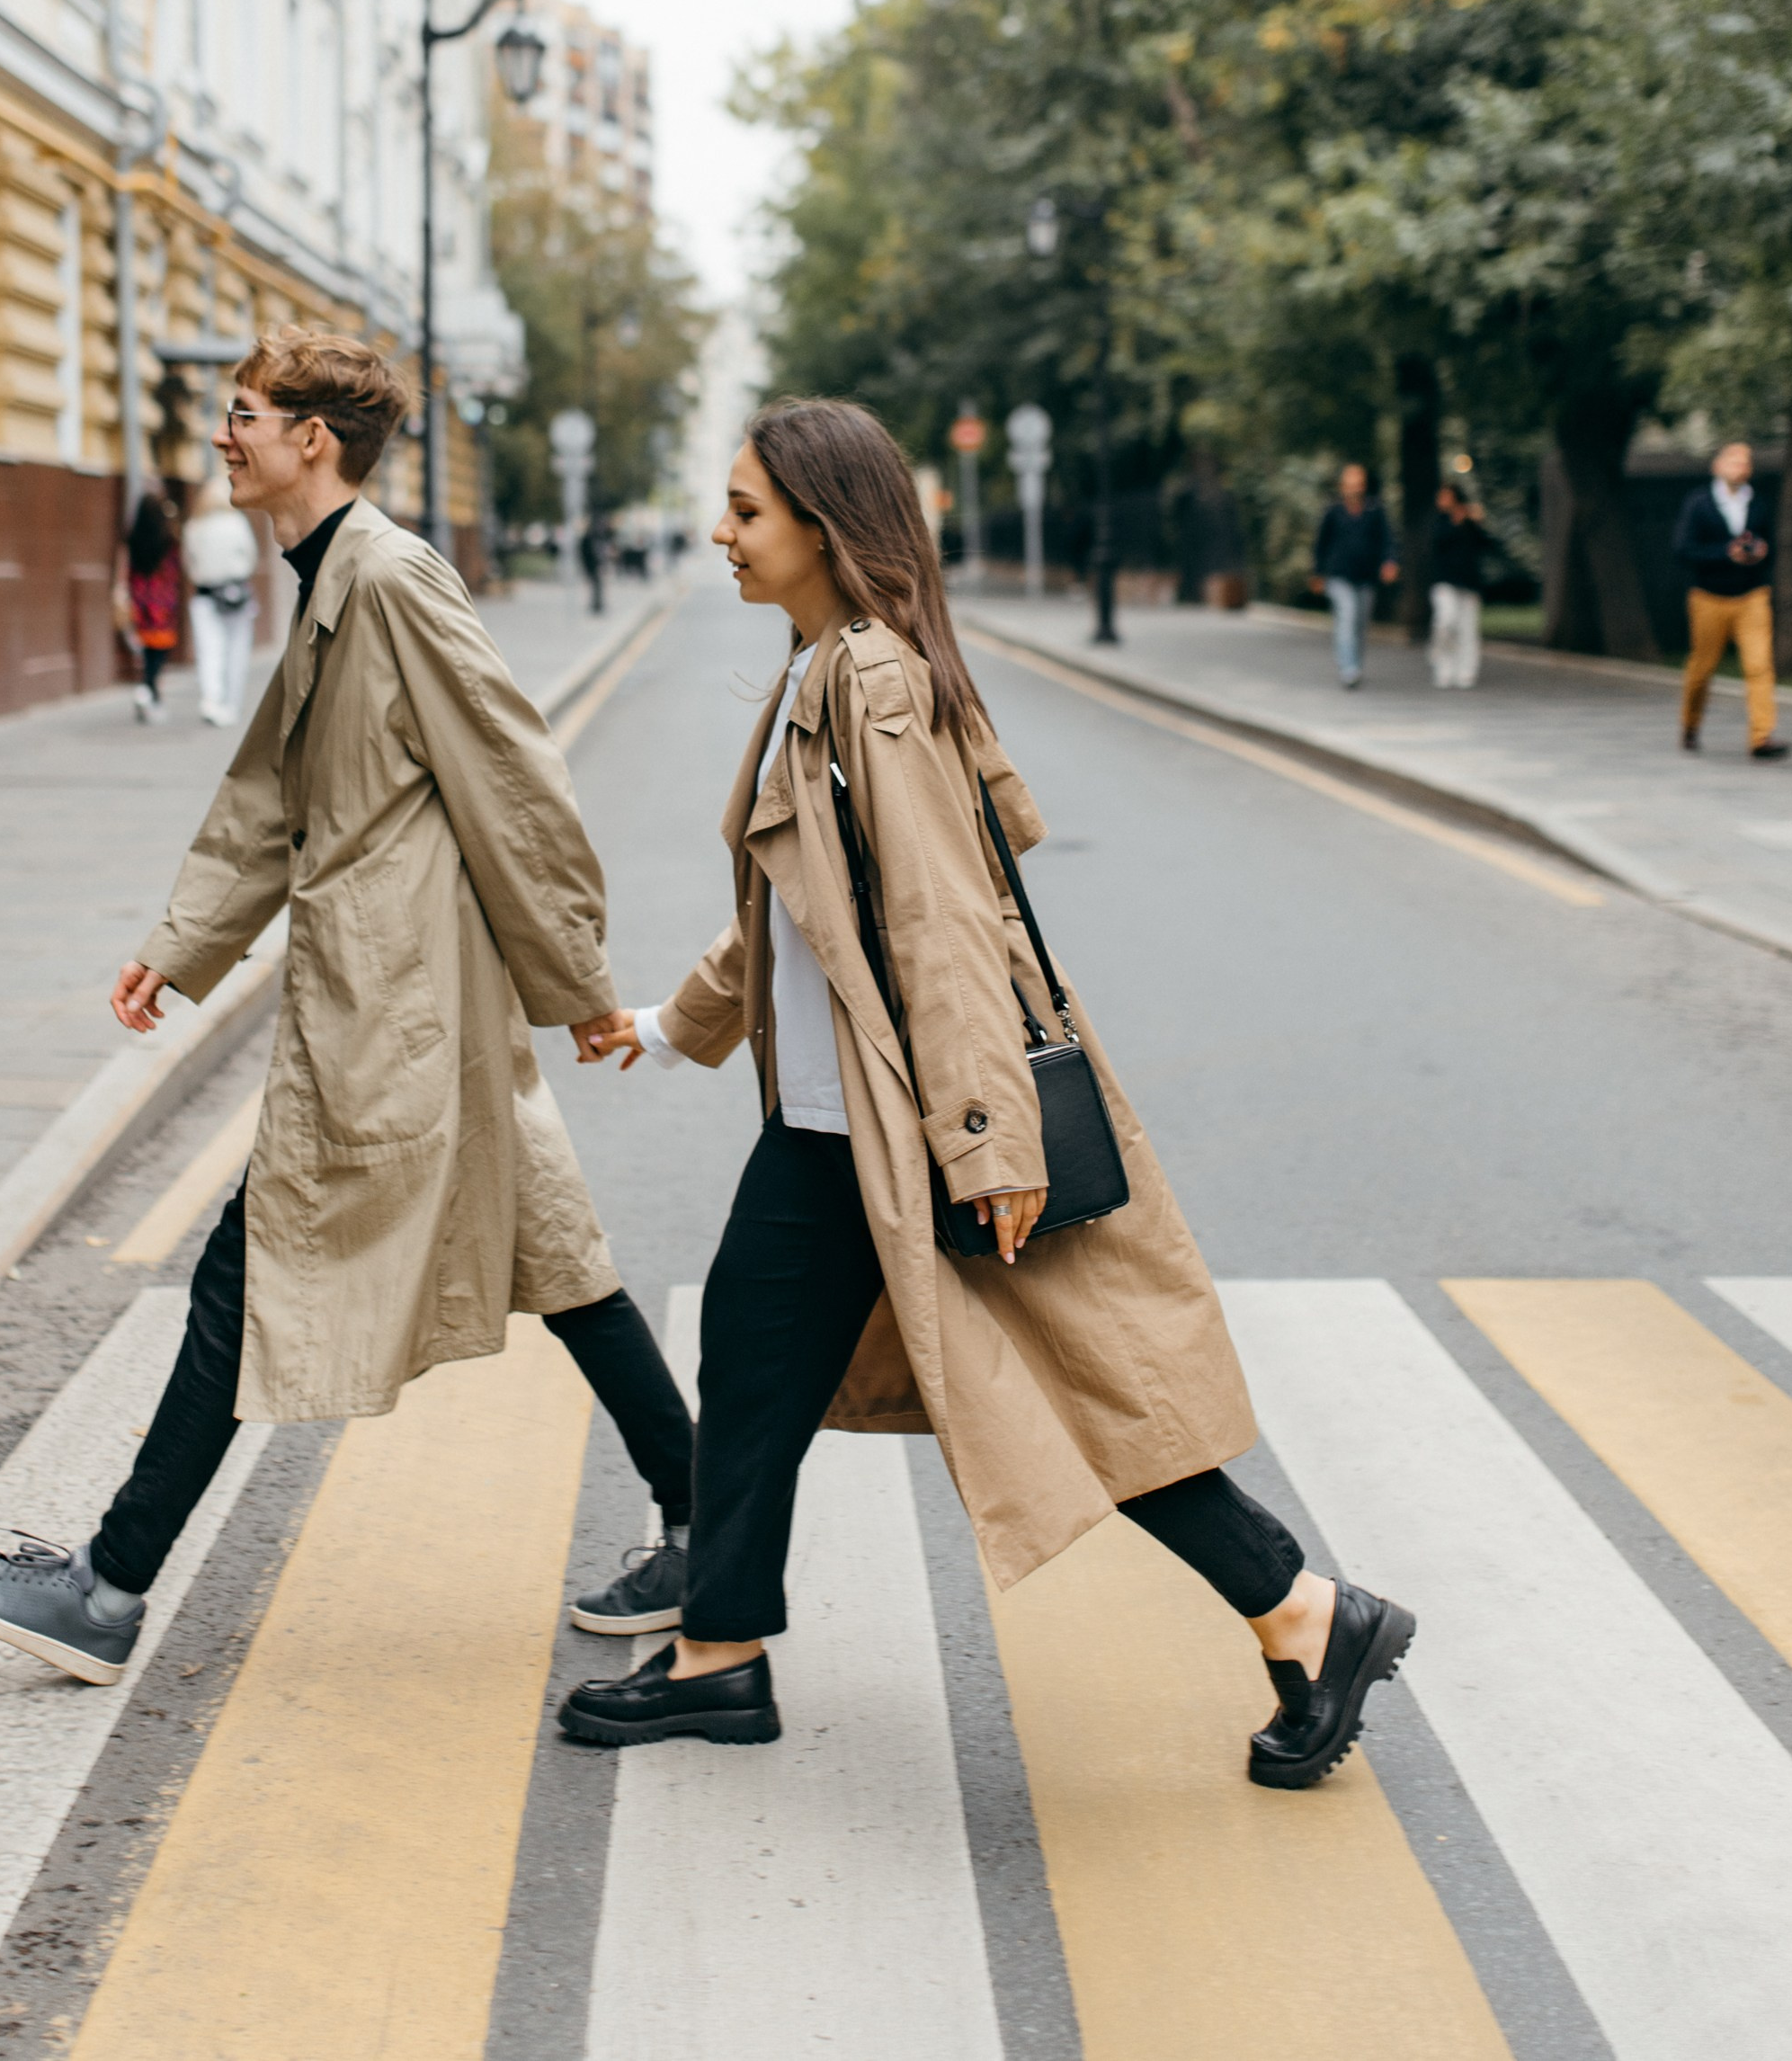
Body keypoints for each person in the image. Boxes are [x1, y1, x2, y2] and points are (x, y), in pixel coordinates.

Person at [556, 397, 1413, 1787]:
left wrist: (989, 1145)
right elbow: (806, 912)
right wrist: (668, 1025)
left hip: (907, 1131)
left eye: (747, 511)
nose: (721, 533)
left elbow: (944, 925)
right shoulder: (824, 667)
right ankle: (721, 1656)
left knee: (1079, 1395)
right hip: (839, 1125)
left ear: (827, 529)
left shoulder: (870, 684)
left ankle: (1307, 1614)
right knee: (757, 1363)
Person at [0, 326, 695, 1683]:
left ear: (311, 442)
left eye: (243, 417)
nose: (224, 438)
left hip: (396, 1003)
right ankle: (715, 1523)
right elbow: (275, 792)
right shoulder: (330, 577)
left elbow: (517, 781)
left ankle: (107, 1589)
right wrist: (183, 941)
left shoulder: (390, 581)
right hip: (402, 999)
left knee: (248, 1264)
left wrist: (575, 982)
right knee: (562, 1262)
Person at [1675, 440, 1791, 760]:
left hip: (1752, 595)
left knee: (1759, 666)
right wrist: (1726, 554)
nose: (1741, 467)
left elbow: (1769, 547)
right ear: (1717, 466)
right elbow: (1683, 550)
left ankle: (1761, 737)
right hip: (1709, 597)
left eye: (1746, 462)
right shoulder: (1699, 504)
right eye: (1734, 461)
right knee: (1702, 668)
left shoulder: (1758, 504)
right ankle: (1690, 724)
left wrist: (1762, 552)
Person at [182, 468, 260, 727]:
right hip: (236, 592)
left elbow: (189, 562)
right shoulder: (237, 523)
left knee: (209, 649)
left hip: (205, 594)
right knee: (236, 650)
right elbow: (250, 556)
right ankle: (231, 703)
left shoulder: (194, 527)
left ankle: (211, 699)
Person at [1309, 463, 1398, 690]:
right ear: (1342, 486)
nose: (1354, 489)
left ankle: (1354, 663)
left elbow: (1387, 540)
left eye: (1358, 484)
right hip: (1339, 575)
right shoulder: (1333, 511)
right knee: (1347, 617)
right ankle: (1348, 668)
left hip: (1366, 577)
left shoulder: (1375, 511)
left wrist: (1389, 562)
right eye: (1350, 484)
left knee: (1360, 624)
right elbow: (1321, 544)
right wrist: (1318, 573)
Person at [124, 481, 184, 725]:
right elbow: (176, 567)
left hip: (140, 599)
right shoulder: (167, 536)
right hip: (162, 601)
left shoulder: (133, 536)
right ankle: (148, 689)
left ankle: (149, 691)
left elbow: (127, 568)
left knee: (148, 649)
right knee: (159, 650)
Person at [1428, 479, 1491, 691]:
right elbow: (1436, 543)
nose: (1442, 501)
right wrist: (1456, 522)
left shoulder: (1470, 520)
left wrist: (1477, 522)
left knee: (1468, 629)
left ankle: (1466, 671)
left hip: (1469, 582)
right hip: (1444, 580)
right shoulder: (1439, 521)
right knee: (1446, 621)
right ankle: (1443, 666)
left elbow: (1484, 544)